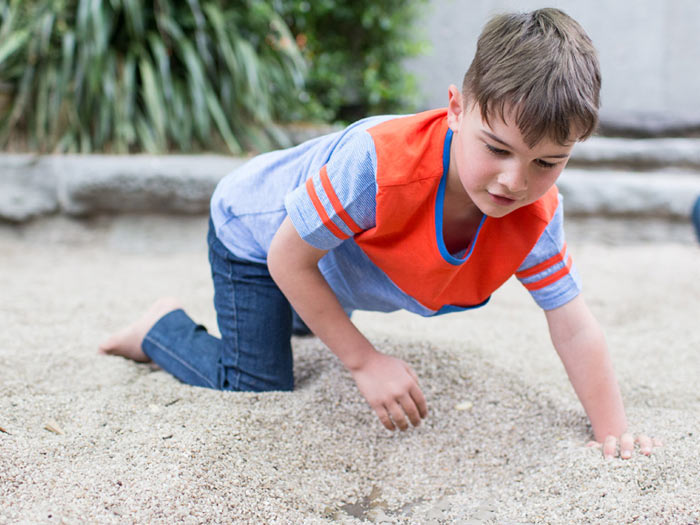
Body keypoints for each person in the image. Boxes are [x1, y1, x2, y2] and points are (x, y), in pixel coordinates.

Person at [101, 8, 658, 460]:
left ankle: (291, 320)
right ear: (457, 109)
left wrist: (612, 430)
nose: (515, 181)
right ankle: (158, 328)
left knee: (303, 323)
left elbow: (573, 325)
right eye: (496, 149)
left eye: (547, 163)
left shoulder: (534, 215)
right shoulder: (378, 164)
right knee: (257, 381)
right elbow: (287, 259)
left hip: (330, 261)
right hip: (259, 237)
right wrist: (366, 362)